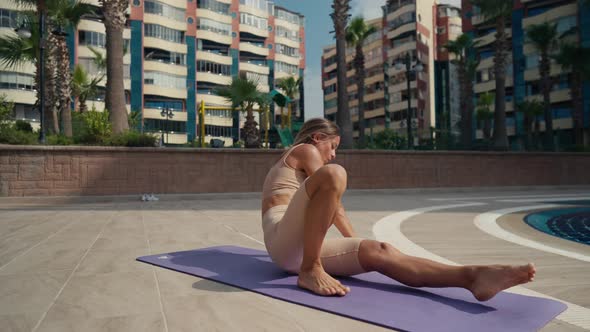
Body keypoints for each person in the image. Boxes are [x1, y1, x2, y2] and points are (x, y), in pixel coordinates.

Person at [261, 118, 535, 299]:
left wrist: (357, 244)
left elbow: (334, 209)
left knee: (380, 251)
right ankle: (310, 270)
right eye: (332, 146)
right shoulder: (305, 150)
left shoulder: (308, 168)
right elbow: (336, 203)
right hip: (282, 236)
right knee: (335, 173)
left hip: (293, 251)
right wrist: (348, 239)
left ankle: (472, 277)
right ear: (317, 137)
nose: (332, 153)